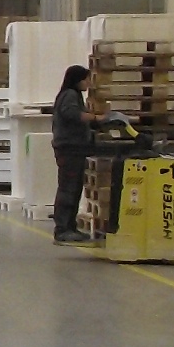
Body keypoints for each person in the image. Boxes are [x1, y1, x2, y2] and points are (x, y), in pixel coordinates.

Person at [52, 64, 108, 245]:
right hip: (69, 148)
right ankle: (62, 229)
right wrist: (96, 117)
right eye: (86, 79)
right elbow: (72, 114)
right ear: (77, 80)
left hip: (76, 148)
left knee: (74, 188)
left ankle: (70, 226)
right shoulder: (69, 95)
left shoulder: (74, 95)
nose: (88, 83)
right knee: (68, 188)